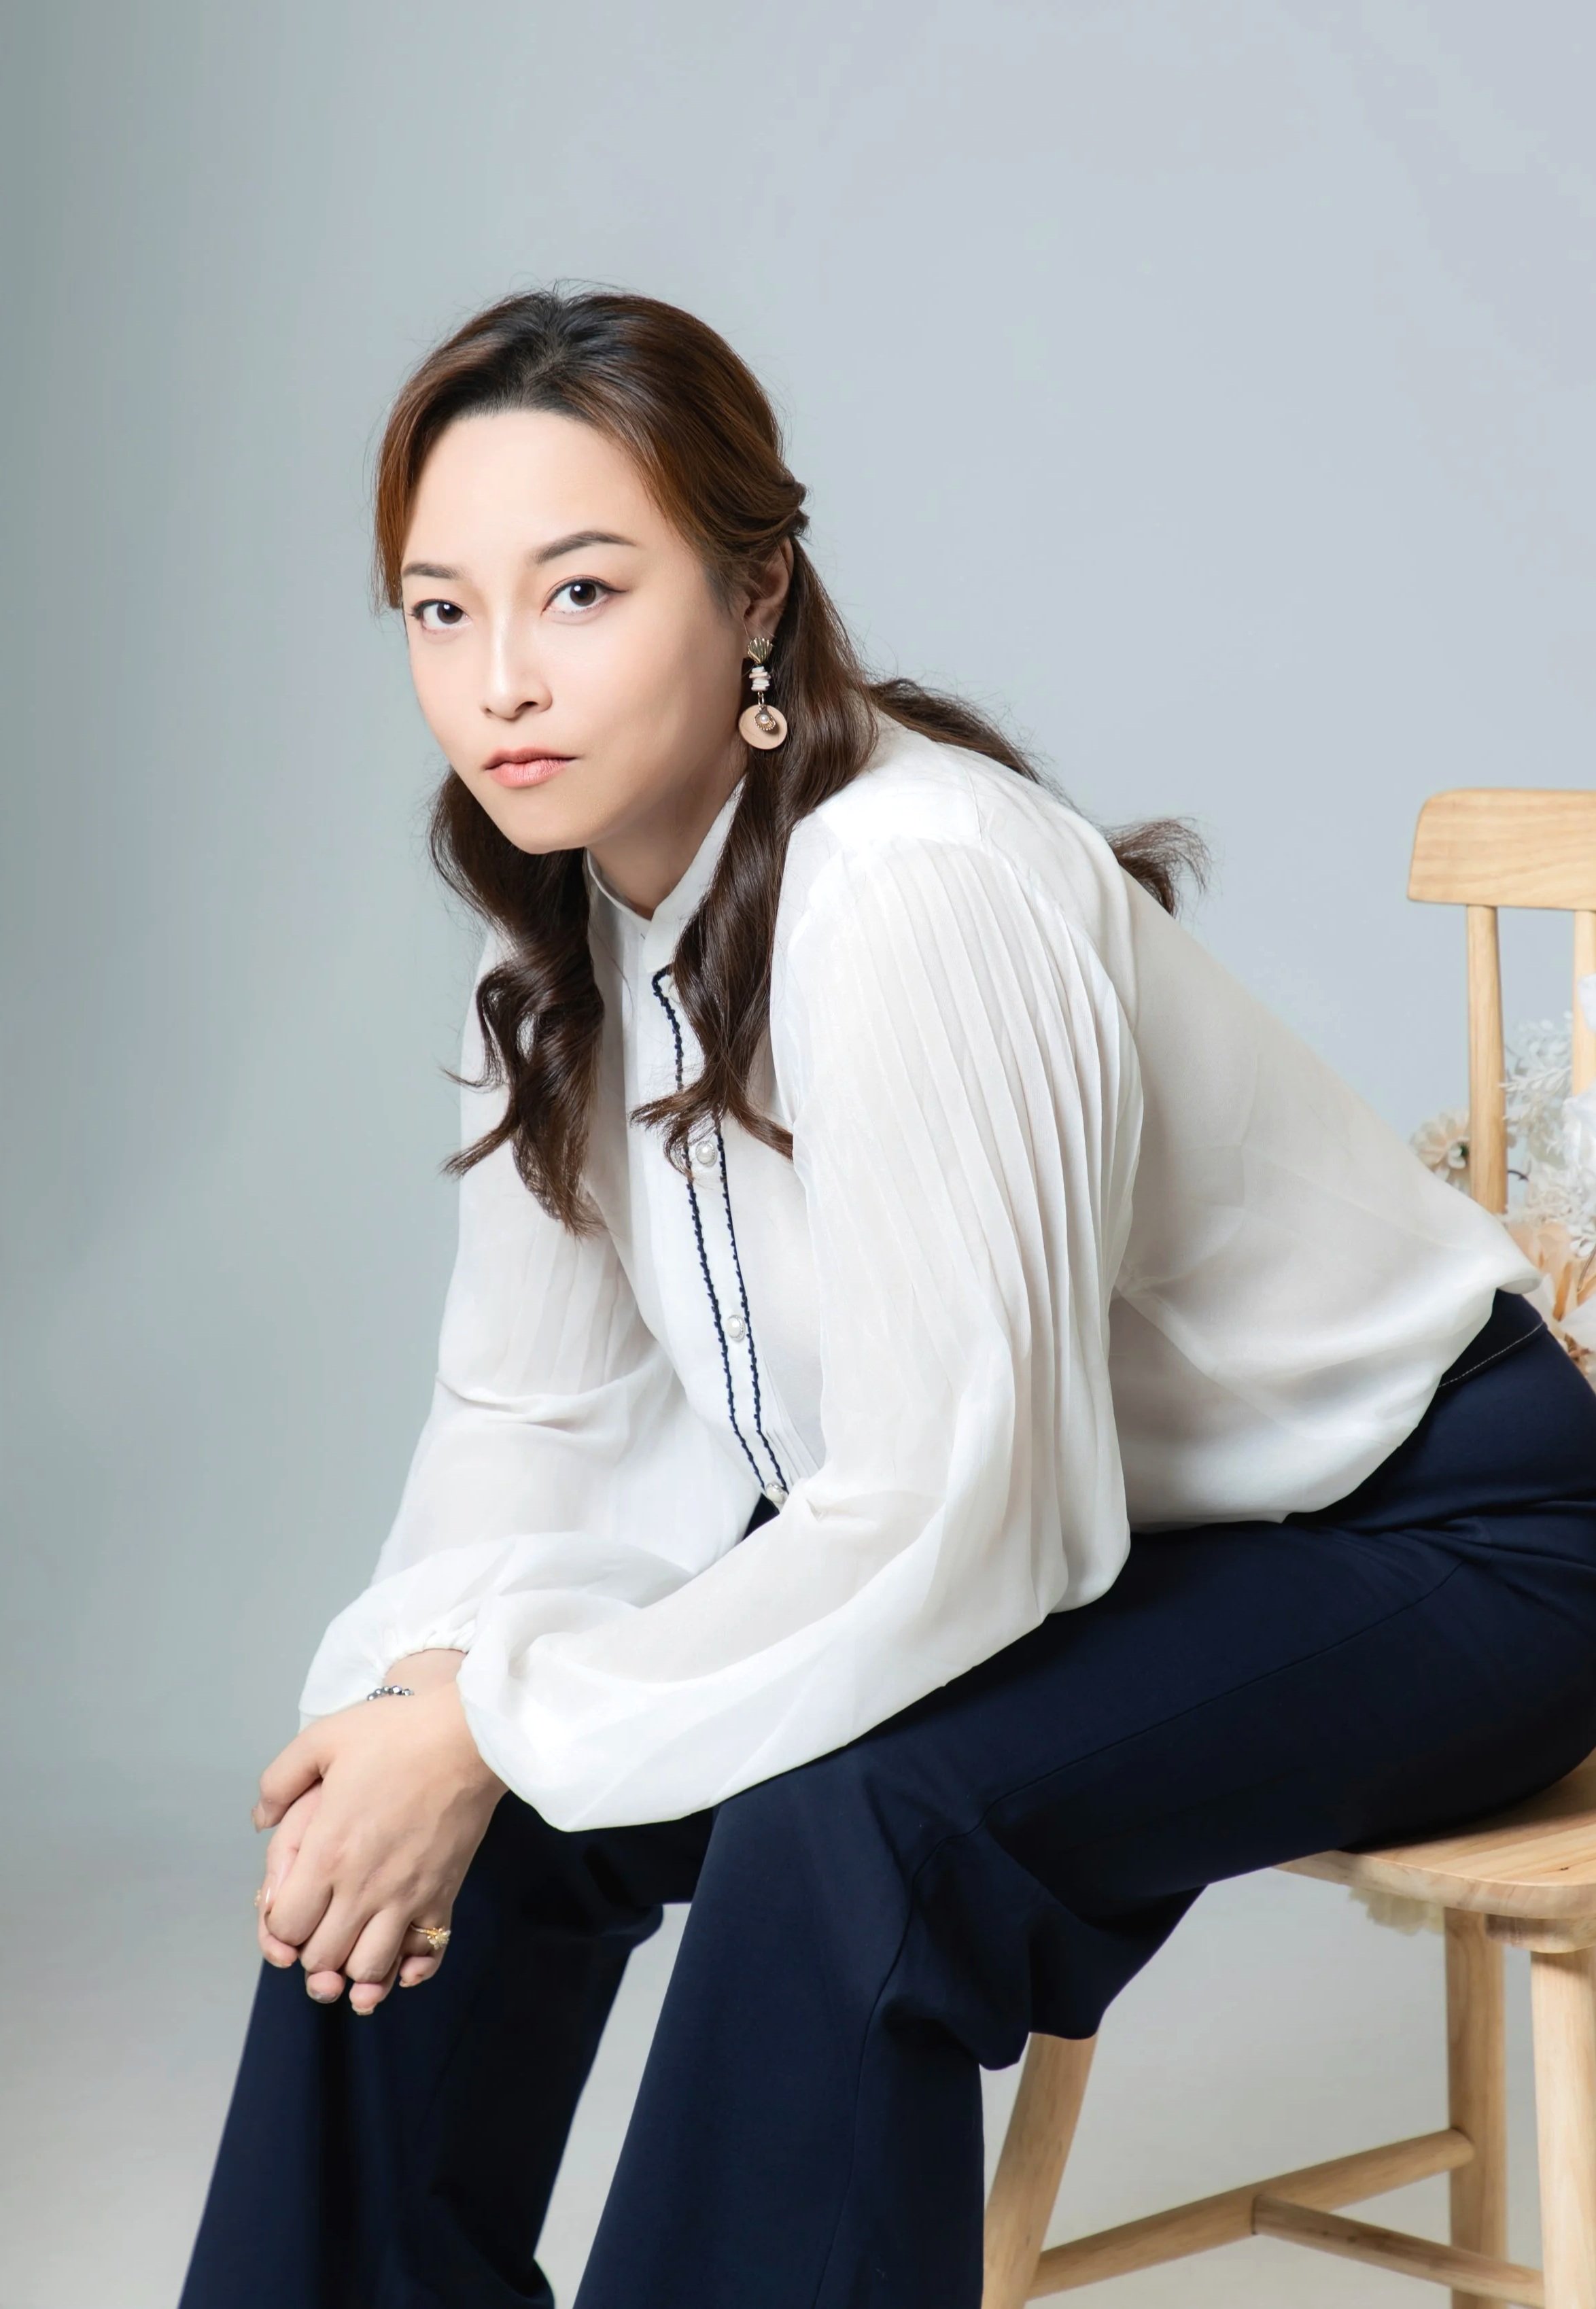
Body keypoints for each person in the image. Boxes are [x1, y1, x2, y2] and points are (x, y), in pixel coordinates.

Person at [179, 288, 1596, 2309]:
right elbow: (534, 1438)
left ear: (753, 588)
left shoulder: (914, 881)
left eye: (579, 591)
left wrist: (502, 1715)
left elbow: (963, 1506)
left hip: (1447, 1542)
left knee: (844, 1829)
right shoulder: (564, 951)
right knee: (415, 1804)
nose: (501, 680)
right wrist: (413, 1720)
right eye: (437, 611)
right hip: (1109, 1545)